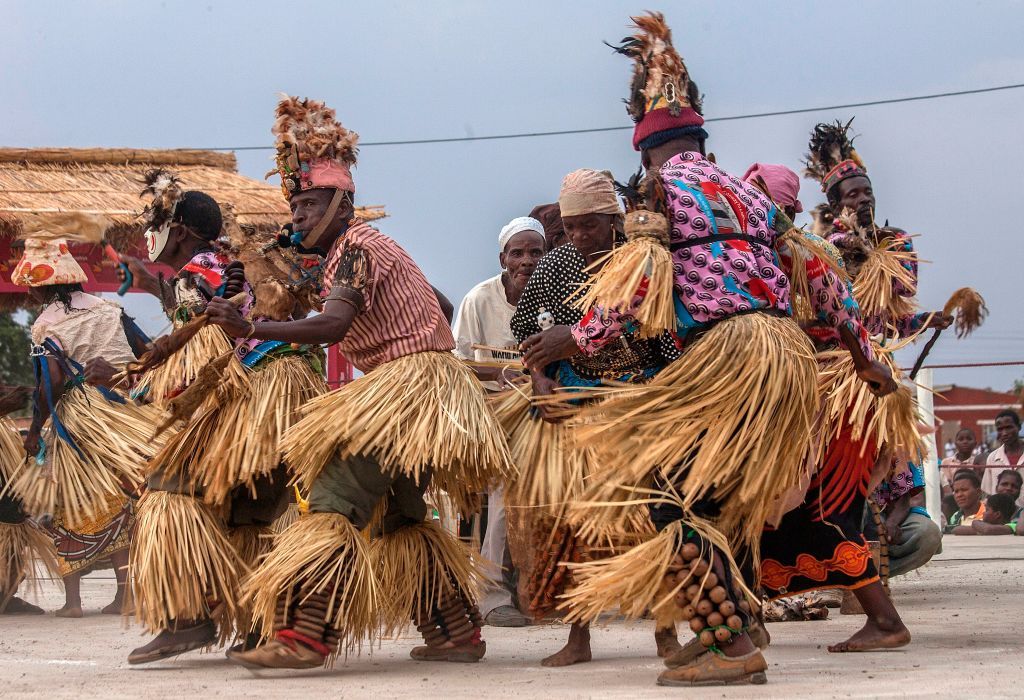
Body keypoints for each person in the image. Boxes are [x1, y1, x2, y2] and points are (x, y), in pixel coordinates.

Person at [521, 13, 893, 686]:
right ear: (700, 136)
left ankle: (730, 645)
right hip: (782, 359)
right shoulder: (749, 194)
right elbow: (825, 280)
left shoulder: (657, 192)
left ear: (644, 149)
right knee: (712, 498)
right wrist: (865, 359)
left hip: (727, 355)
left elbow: (640, 290)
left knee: (662, 491)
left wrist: (568, 339)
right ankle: (734, 626)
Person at [205, 95, 512, 670]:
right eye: (294, 207)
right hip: (423, 389)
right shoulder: (373, 247)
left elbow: (333, 325)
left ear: (341, 202)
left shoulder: (353, 248)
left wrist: (250, 324)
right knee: (401, 511)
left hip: (408, 389)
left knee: (332, 496)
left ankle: (302, 638)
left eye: (309, 204)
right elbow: (439, 304)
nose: (297, 217)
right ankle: (453, 632)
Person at [122, 172, 325, 664]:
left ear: (182, 231)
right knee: (252, 506)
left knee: (167, 487)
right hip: (290, 390)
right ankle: (261, 624)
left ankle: (186, 618)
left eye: (156, 222)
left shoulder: (197, 270)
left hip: (257, 393)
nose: (149, 233)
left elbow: (199, 358)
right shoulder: (229, 261)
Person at [500, 168, 680, 667]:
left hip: (639, 400)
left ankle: (668, 635)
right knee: (570, 520)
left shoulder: (642, 262)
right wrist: (539, 381)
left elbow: (664, 337)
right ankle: (578, 637)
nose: (580, 236)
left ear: (614, 221)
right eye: (572, 225)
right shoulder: (556, 265)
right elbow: (528, 336)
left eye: (591, 225)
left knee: (652, 516)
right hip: (574, 402)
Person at [748, 163, 916, 652]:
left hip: (836, 400)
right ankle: (744, 617)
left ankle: (885, 622)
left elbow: (846, 320)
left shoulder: (804, 254)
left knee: (827, 513)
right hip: (808, 399)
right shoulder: (754, 254)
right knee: (774, 514)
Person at [4, 217, 164, 619]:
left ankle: (73, 602)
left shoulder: (46, 325)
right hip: (124, 415)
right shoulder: (111, 308)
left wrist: (36, 429)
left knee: (69, 499)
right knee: (123, 497)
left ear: (42, 285)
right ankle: (124, 594)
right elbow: (146, 352)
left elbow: (50, 384)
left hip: (79, 420)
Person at [452, 216, 545, 627]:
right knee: (501, 493)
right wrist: (499, 375)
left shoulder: (553, 296)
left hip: (539, 410)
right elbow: (457, 365)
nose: (526, 260)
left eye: (535, 252)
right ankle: (491, 595)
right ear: (502, 258)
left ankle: (545, 588)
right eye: (518, 252)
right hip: (490, 413)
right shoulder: (480, 299)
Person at [803, 119, 951, 338]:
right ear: (835, 206)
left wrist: (925, 321)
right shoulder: (823, 247)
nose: (865, 200)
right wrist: (871, 245)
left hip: (872, 355)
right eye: (853, 195)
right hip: (833, 355)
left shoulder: (893, 240)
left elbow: (901, 297)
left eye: (868, 192)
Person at [981, 410, 1023, 508]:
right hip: (1001, 518)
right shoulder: (992, 458)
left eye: (1009, 427)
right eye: (1000, 429)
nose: (1004, 433)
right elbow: (988, 493)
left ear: (1019, 427)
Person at [941, 428, 982, 495]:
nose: (965, 442)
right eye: (961, 439)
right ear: (955, 444)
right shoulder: (946, 462)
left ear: (975, 443)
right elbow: (946, 485)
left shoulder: (978, 462)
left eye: (969, 439)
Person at [952, 493, 1017, 535]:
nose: (983, 513)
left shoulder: (1013, 526)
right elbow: (956, 529)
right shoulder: (982, 527)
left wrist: (975, 522)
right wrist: (980, 529)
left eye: (987, 510)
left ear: (997, 514)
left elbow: (987, 530)